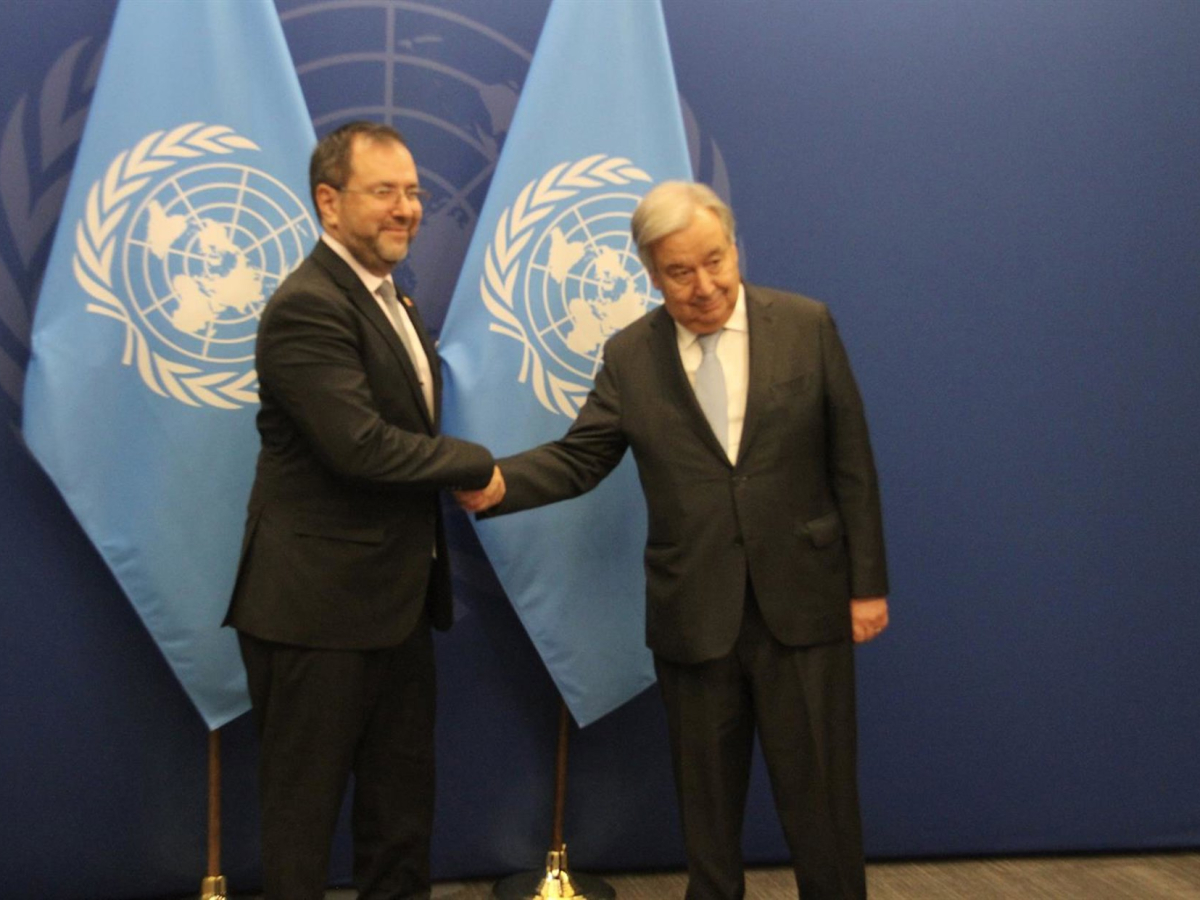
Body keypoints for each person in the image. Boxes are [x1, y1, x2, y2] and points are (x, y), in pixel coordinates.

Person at [458, 181, 888, 899]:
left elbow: (853, 465)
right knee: (706, 807)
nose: (704, 285)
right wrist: (501, 482)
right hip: (694, 611)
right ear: (652, 274)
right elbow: (581, 457)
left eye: (715, 261)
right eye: (680, 272)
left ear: (734, 247)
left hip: (805, 605)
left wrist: (867, 585)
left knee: (823, 802)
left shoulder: (806, 325)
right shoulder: (632, 354)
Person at [225, 121, 504, 900]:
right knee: (302, 824)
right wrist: (477, 464)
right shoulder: (307, 306)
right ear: (329, 201)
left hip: (396, 607)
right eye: (384, 191)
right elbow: (361, 449)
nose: (407, 208)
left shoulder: (391, 298)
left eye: (412, 192)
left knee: (401, 816)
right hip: (313, 615)